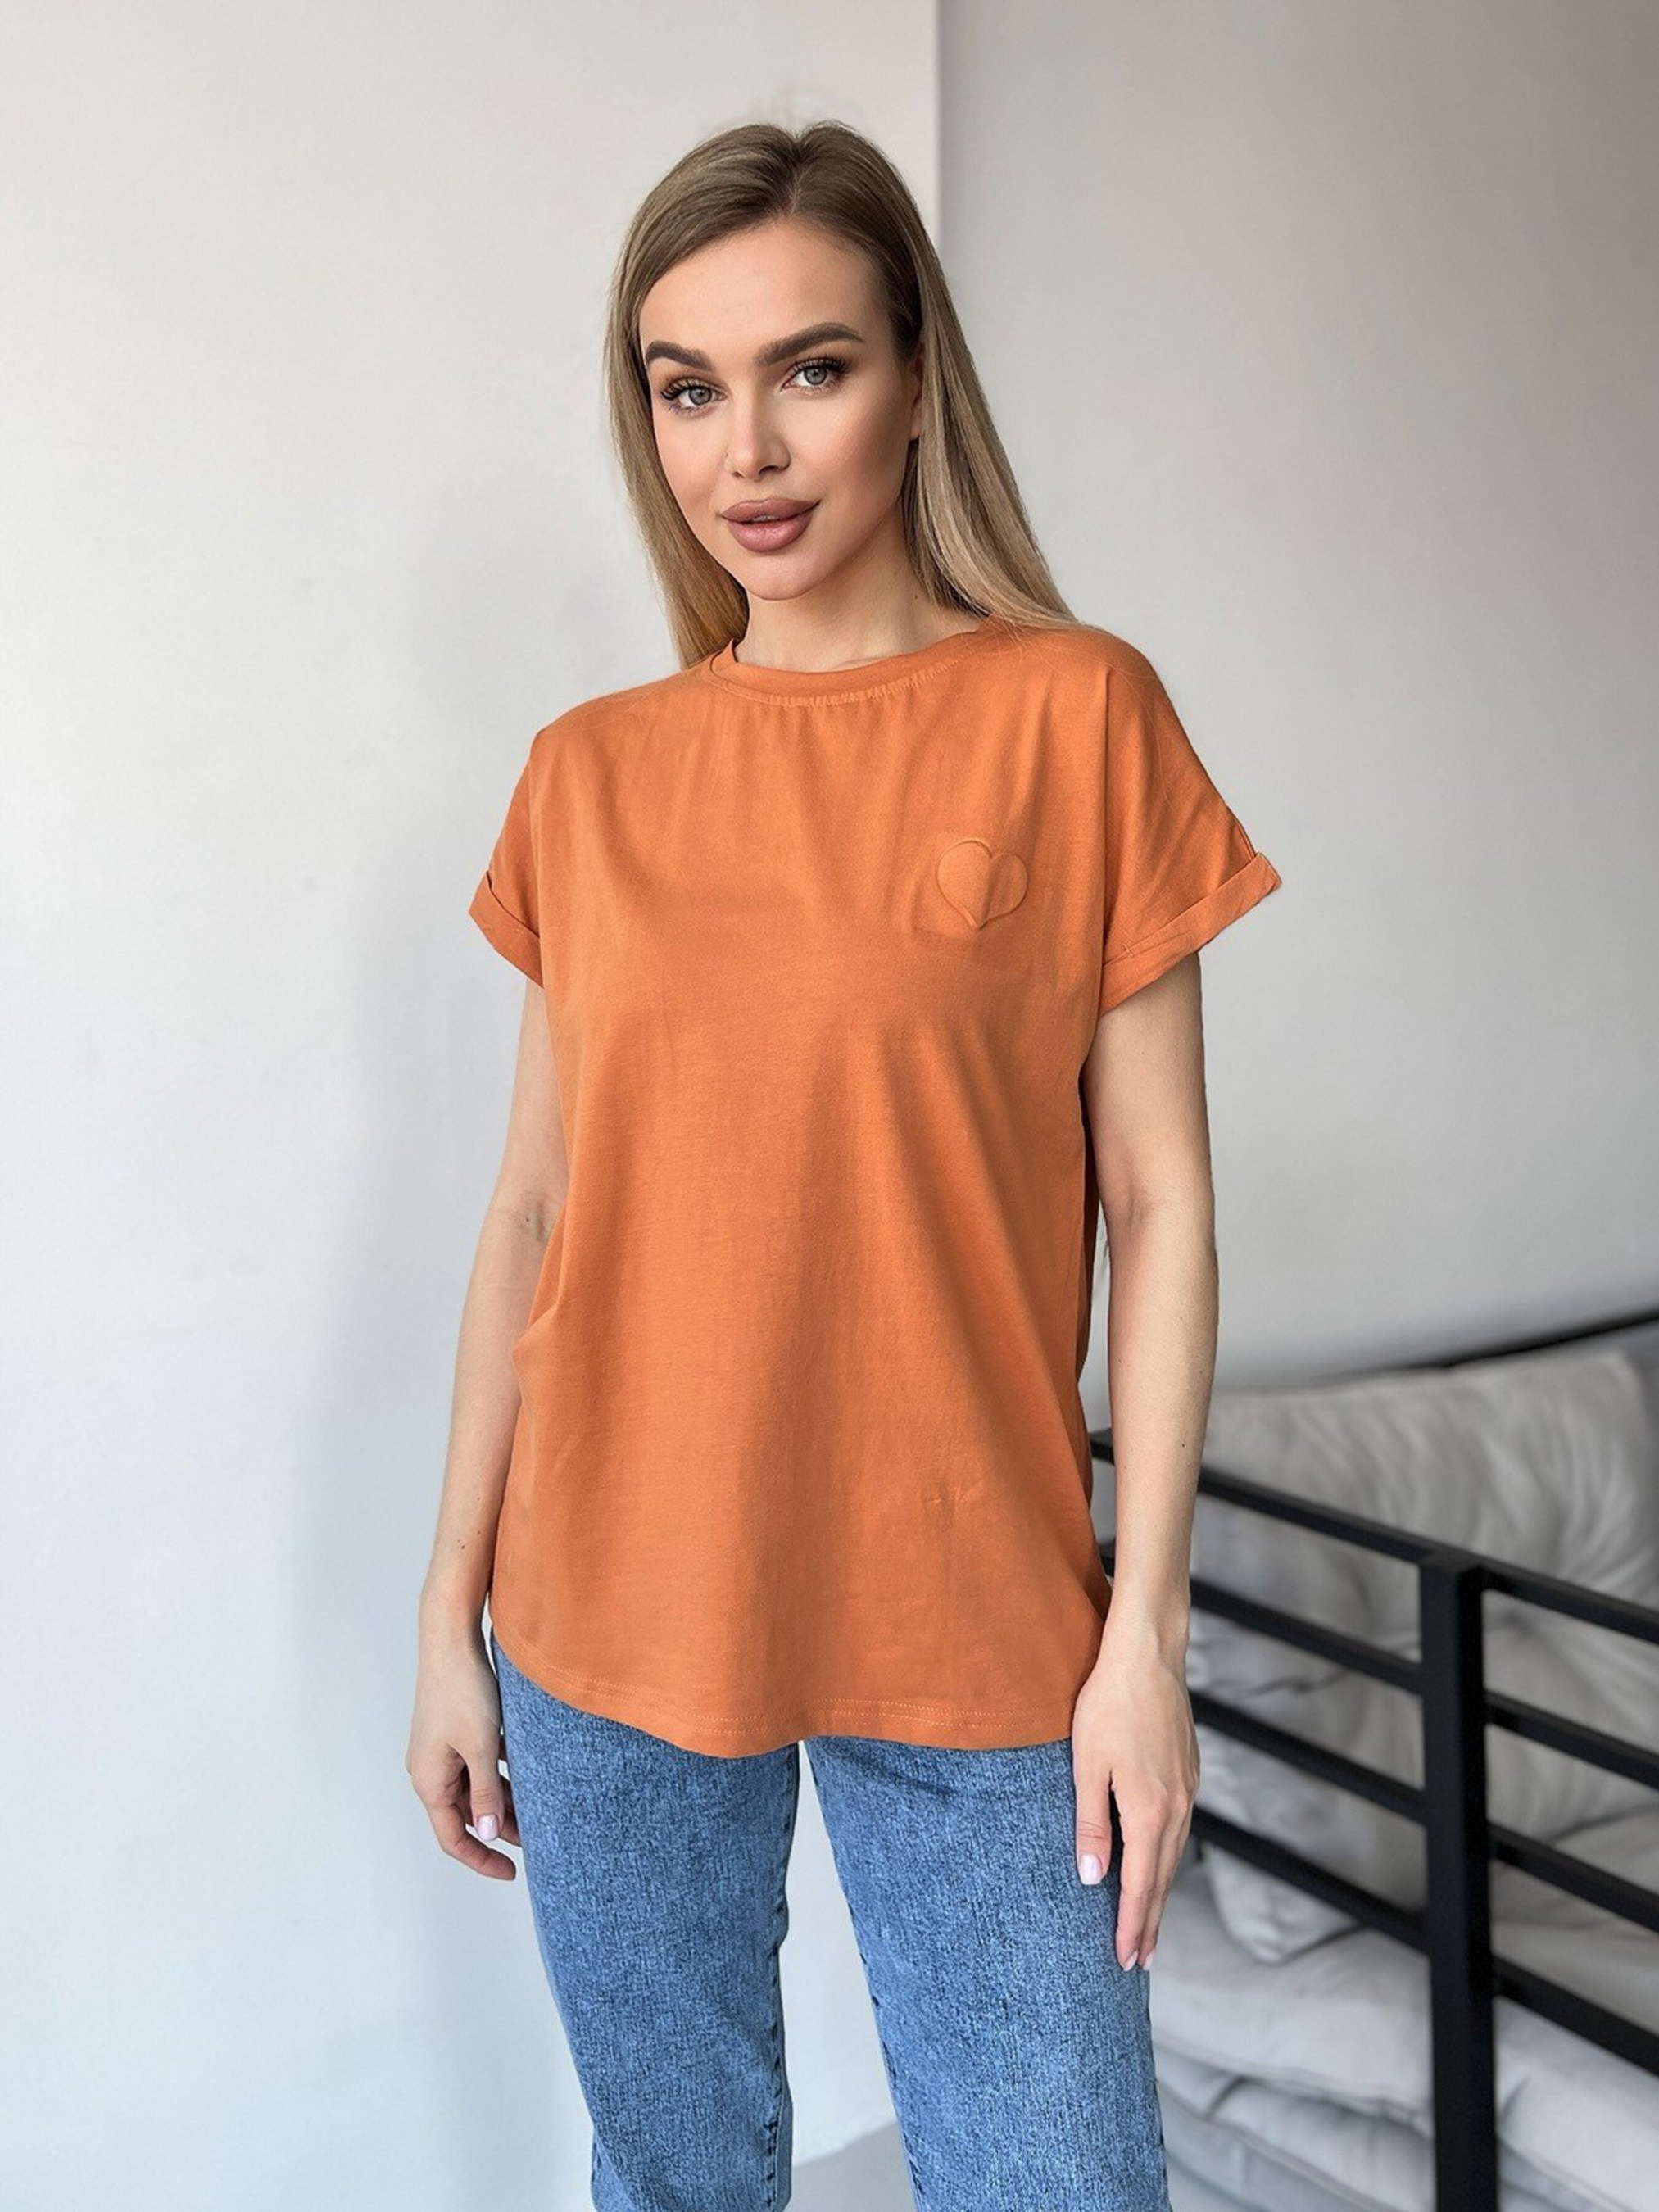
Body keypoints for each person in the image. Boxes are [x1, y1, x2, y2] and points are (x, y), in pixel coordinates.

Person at [407, 116, 1282, 2212]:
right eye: (685, 388)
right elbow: (533, 1213)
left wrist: (1139, 1637)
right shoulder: (588, 775)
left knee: (1057, 2178)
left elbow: (1160, 1202)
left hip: (972, 1600)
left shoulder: (1075, 715)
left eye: (809, 368)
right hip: (606, 1600)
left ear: (911, 375)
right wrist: (447, 1609)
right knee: (678, 2179)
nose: (747, 452)